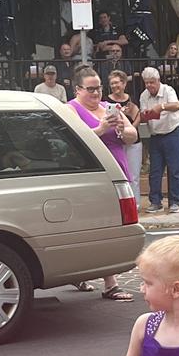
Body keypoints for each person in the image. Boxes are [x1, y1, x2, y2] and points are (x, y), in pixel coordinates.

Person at [68, 65, 136, 300]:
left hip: (117, 168)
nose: (96, 94)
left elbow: (132, 135)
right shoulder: (71, 109)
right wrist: (101, 128)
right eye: (91, 89)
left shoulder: (110, 107)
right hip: (91, 176)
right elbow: (75, 140)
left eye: (98, 88)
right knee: (93, 227)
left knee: (114, 226)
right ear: (77, 89)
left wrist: (120, 128)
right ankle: (108, 282)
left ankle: (89, 276)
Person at [139, 66, 179, 214]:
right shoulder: (144, 96)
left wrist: (162, 106)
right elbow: (143, 115)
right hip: (156, 134)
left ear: (158, 80)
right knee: (155, 170)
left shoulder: (168, 90)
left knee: (175, 168)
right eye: (146, 82)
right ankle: (155, 202)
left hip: (173, 131)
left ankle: (175, 202)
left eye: (152, 82)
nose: (149, 86)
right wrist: (145, 114)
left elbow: (177, 105)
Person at [107, 69, 142, 209]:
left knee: (134, 175)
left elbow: (138, 115)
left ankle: (136, 204)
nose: (115, 86)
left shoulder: (131, 99)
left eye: (117, 83)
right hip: (116, 142)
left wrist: (131, 129)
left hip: (133, 142)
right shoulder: (106, 100)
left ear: (124, 83)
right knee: (120, 175)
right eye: (112, 83)